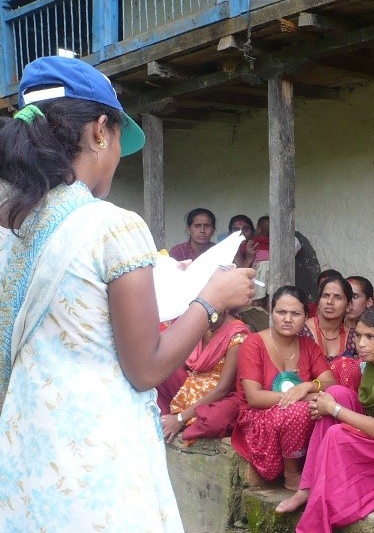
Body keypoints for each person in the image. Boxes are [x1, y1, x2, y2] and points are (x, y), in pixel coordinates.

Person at [0, 56, 255, 531]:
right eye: (118, 140)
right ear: (100, 131)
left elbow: (72, 306)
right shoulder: (114, 226)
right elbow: (146, 369)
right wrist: (211, 299)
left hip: (26, 454)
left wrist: (158, 276)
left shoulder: (10, 225)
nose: (119, 155)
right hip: (97, 465)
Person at [275, 307, 374, 532]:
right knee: (336, 392)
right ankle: (307, 488)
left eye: (370, 337)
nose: (361, 344)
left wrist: (333, 409)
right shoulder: (370, 367)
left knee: (336, 431)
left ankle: (320, 511)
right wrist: (329, 403)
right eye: (358, 336)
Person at [230, 286, 340, 491]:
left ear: (306, 317)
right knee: (300, 410)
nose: (288, 319)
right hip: (258, 420)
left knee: (334, 399)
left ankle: (321, 467)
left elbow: (331, 383)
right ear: (272, 313)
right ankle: (292, 474)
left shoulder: (308, 345)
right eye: (281, 312)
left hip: (296, 418)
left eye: (295, 314)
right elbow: (254, 398)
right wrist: (304, 398)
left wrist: (308, 385)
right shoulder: (253, 344)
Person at [156, 309, 249, 442]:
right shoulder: (199, 324)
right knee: (159, 372)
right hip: (193, 384)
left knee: (212, 421)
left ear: (225, 308)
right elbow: (185, 364)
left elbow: (223, 389)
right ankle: (165, 422)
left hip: (221, 397)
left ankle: (180, 421)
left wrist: (180, 419)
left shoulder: (238, 336)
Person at [303, 275, 361, 390]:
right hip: (307, 395)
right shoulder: (302, 332)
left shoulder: (354, 337)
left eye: (337, 297)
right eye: (325, 296)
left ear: (348, 306)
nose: (330, 301)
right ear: (319, 302)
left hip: (342, 398)